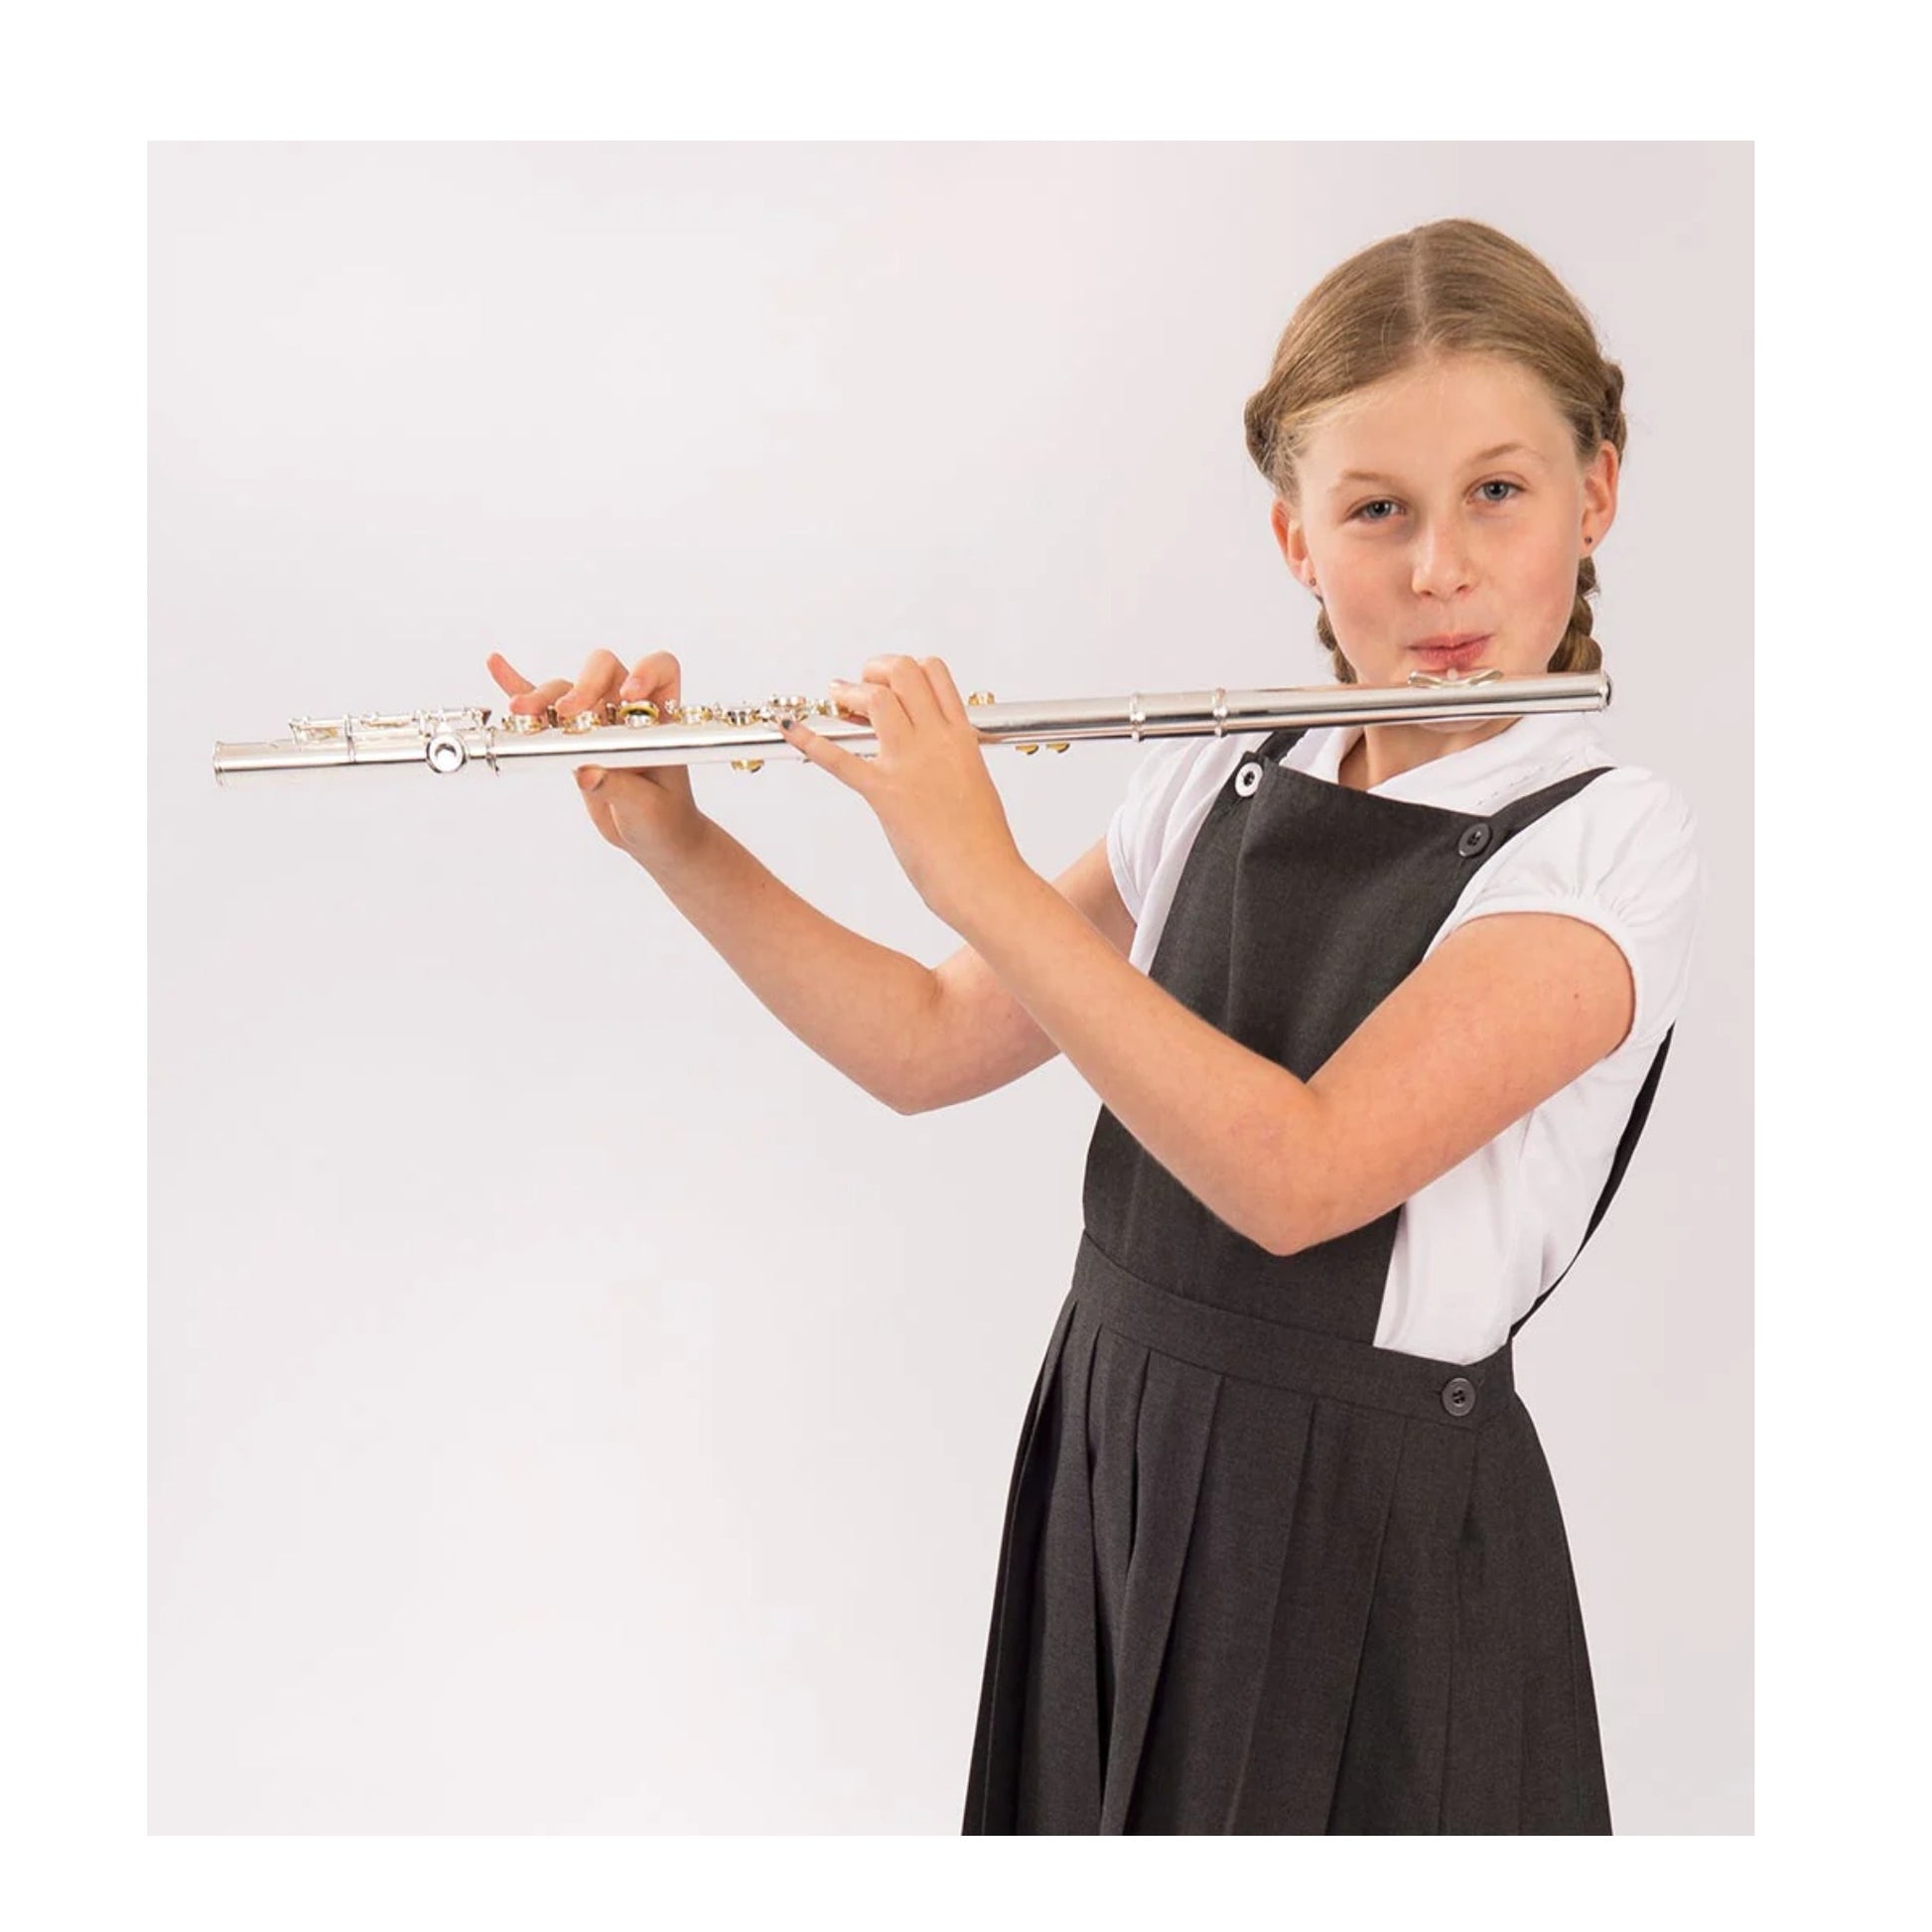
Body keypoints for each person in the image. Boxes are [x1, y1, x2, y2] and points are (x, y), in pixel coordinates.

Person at [485, 215, 1702, 1835]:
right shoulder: (1215, 770)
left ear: (1594, 493)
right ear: (1293, 539)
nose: (1437, 571)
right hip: (1118, 1439)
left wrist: (977, 870)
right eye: (1374, 509)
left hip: (1368, 1524)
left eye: (1497, 491)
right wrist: (677, 835)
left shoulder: (1604, 839)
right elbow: (927, 1039)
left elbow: (1300, 1176)